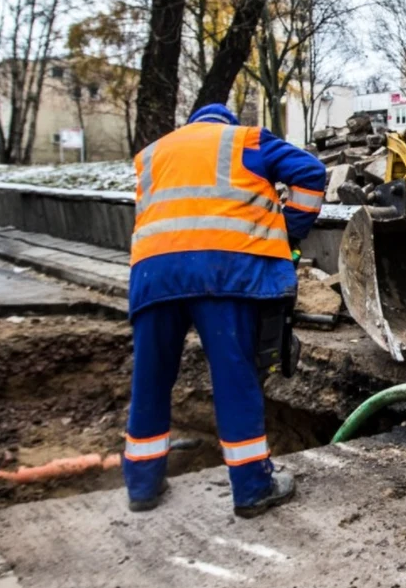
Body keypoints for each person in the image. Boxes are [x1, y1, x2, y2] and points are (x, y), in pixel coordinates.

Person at [124, 103, 326, 517]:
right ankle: (252, 488)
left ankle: (142, 486)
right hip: (224, 273)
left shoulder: (151, 153)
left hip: (153, 275)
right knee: (235, 377)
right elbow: (311, 172)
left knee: (150, 379)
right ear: (227, 123)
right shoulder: (246, 140)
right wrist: (288, 230)